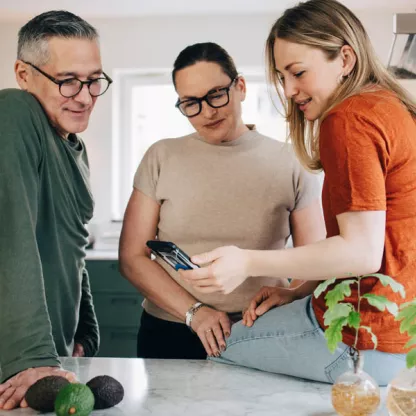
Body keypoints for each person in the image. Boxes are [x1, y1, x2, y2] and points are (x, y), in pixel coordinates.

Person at [180, 0, 416, 386]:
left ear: (345, 58)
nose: (288, 90)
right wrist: (301, 290)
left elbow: (362, 252)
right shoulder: (391, 106)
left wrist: (246, 262)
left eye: (298, 73)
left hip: (360, 339)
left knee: (222, 351)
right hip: (401, 334)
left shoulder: (348, 118)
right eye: (281, 77)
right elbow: (385, 240)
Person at [119, 42, 325, 360]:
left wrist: (290, 294)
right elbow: (132, 257)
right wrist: (194, 312)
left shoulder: (292, 161)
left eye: (216, 94)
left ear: (240, 87)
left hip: (261, 331)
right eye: (191, 103)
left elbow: (314, 261)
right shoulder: (161, 156)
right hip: (172, 331)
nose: (207, 111)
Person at [0, 11, 112, 410]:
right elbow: (11, 233)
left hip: (49, 361)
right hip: (16, 365)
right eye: (67, 81)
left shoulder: (74, 148)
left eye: (93, 80)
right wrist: (31, 357)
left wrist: (85, 328)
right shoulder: (14, 112)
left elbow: (71, 242)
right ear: (24, 74)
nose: (84, 96)